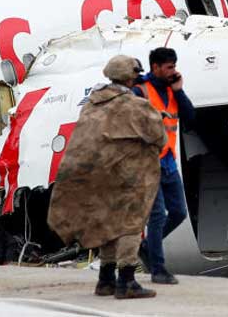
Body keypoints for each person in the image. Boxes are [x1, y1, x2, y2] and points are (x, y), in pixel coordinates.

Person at [48, 55, 166, 300]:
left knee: (107, 222)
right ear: (131, 76)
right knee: (130, 224)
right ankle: (126, 281)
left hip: (96, 176)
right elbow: (159, 137)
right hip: (126, 175)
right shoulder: (134, 106)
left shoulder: (92, 104)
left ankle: (105, 280)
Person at [134, 47, 195, 285]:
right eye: (169, 67)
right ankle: (157, 268)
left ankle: (148, 246)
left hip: (168, 161)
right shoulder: (140, 91)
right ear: (156, 67)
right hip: (147, 162)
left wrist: (179, 91)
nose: (173, 71)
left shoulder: (172, 90)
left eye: (174, 66)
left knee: (179, 212)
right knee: (157, 215)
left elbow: (190, 118)